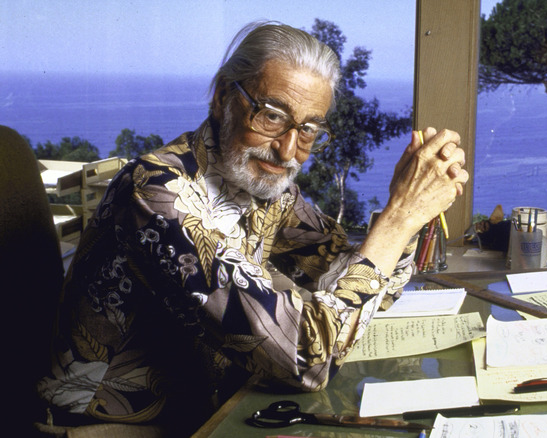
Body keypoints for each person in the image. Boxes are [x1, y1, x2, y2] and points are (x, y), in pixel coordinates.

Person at [36, 21, 468, 434]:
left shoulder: (265, 184)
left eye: (308, 130)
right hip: (112, 429)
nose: (286, 150)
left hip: (209, 409)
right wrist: (399, 217)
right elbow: (306, 356)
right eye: (271, 116)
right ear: (223, 96)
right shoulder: (158, 192)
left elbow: (350, 270)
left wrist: (411, 209)